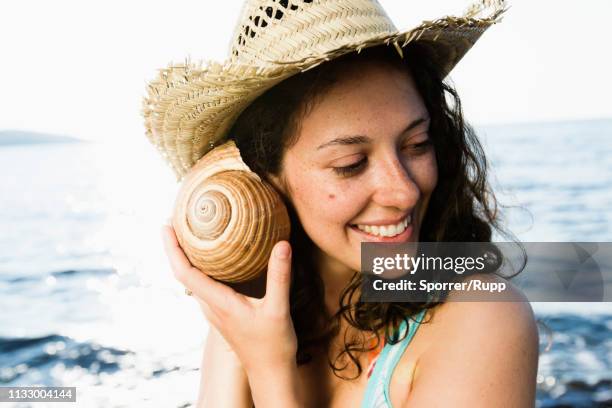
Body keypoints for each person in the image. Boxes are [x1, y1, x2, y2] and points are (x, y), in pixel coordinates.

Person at [147, 0, 539, 406]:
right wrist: (238, 308)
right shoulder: (249, 323)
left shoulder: (484, 317)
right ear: (265, 177)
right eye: (351, 164)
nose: (403, 191)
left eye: (417, 144)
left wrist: (270, 370)